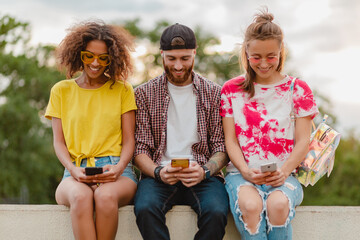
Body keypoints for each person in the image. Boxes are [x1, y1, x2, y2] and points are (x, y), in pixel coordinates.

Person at [220, 9, 319, 239]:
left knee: (277, 206)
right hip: (242, 175)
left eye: (271, 56)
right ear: (246, 52)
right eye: (256, 57)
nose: (263, 64)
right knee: (251, 207)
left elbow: (303, 141)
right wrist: (245, 171)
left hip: (285, 176)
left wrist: (283, 173)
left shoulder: (298, 89)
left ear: (281, 52)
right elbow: (230, 140)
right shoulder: (230, 90)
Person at [133, 23, 229, 240]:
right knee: (145, 208)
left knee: (217, 212)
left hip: (202, 173)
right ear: (161, 55)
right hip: (158, 173)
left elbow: (221, 147)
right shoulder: (143, 94)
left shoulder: (214, 93)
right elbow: (140, 148)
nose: (178, 66)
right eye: (171, 58)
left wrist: (204, 170)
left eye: (185, 58)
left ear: (194, 53)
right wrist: (158, 172)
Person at [44, 21, 138, 240]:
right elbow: (59, 142)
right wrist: (73, 169)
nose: (95, 63)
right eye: (89, 56)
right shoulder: (61, 91)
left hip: (117, 172)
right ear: (79, 54)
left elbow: (129, 140)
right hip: (75, 172)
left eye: (103, 58)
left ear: (111, 59)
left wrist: (118, 168)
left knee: (105, 197)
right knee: (80, 197)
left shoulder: (123, 90)